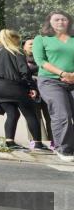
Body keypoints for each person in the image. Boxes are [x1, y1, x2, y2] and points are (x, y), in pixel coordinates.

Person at [0, 29, 43, 150]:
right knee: (30, 113)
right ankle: (38, 143)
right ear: (13, 39)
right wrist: (32, 87)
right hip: (13, 86)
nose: (19, 42)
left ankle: (10, 142)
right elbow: (24, 72)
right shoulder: (17, 52)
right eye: (18, 39)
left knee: (13, 113)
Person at [32, 11, 74, 161]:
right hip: (51, 81)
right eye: (56, 19)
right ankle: (64, 149)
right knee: (62, 114)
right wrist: (63, 73)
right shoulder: (42, 39)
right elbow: (40, 61)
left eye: (64, 19)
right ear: (49, 22)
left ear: (69, 22)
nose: (60, 22)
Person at [24, 38, 54, 150]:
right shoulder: (21, 58)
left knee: (51, 116)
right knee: (34, 116)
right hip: (31, 89)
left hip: (48, 87)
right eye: (30, 44)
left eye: (35, 44)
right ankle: (36, 141)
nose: (33, 46)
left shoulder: (44, 56)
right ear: (24, 46)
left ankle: (54, 141)